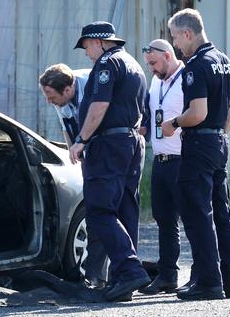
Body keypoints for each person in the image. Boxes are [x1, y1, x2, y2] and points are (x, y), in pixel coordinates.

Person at [162, 8, 230, 300]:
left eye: (175, 38)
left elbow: (197, 113)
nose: (176, 46)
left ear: (188, 33)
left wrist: (173, 123)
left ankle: (209, 281)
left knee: (198, 213)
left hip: (199, 145)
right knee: (222, 212)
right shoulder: (226, 61)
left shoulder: (196, 65)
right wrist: (218, 138)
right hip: (220, 142)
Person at [69, 21, 150, 302]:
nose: (86, 53)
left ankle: (128, 270)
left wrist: (81, 139)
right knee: (126, 210)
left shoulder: (106, 63)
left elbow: (99, 106)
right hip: (131, 143)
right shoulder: (134, 65)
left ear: (98, 42)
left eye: (86, 46)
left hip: (109, 144)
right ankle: (122, 281)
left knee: (101, 210)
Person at [39, 63, 109, 289]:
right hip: (89, 152)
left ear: (67, 90)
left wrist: (83, 145)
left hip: (111, 150)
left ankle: (112, 274)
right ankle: (96, 275)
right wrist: (74, 154)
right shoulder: (61, 97)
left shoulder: (91, 86)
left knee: (106, 213)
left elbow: (98, 118)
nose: (48, 101)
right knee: (95, 213)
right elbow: (66, 124)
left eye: (50, 95)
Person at [138, 39, 185, 294]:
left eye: (154, 63)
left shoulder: (187, 78)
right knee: (164, 220)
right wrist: (144, 128)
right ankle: (168, 275)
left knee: (194, 219)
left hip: (182, 160)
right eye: (149, 65)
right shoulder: (156, 81)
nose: (152, 69)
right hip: (160, 160)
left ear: (167, 56)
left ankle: (205, 274)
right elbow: (151, 114)